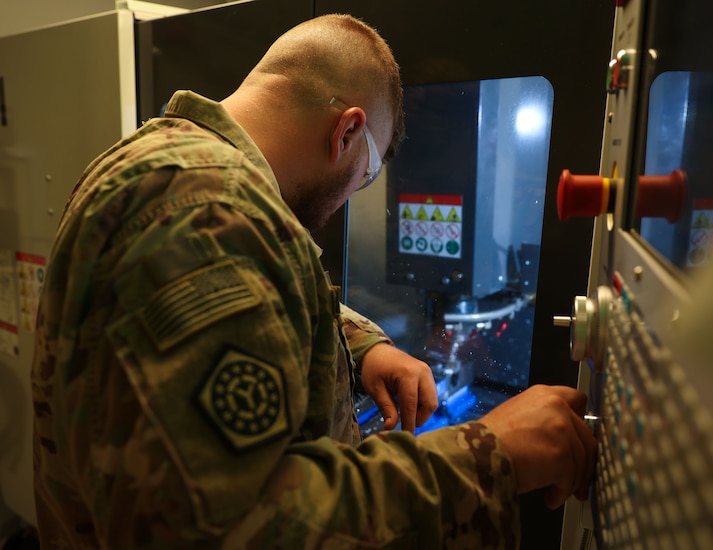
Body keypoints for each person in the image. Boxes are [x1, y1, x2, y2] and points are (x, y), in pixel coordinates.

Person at [30, 13, 596, 549]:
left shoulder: (165, 164)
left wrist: (361, 348)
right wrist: (493, 454)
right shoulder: (209, 210)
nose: (353, 194)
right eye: (367, 174)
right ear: (347, 131)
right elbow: (234, 528)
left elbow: (241, 298)